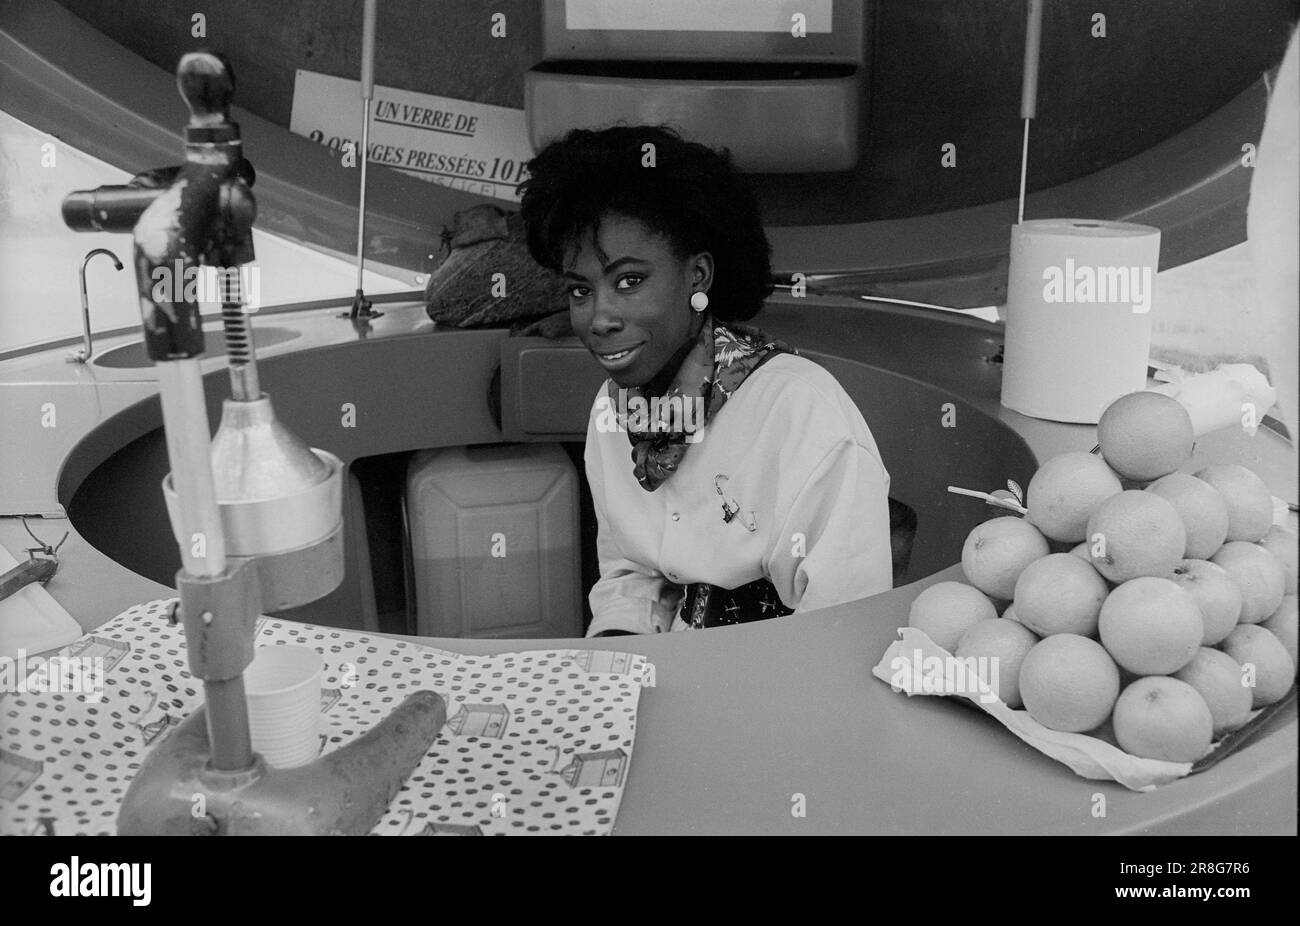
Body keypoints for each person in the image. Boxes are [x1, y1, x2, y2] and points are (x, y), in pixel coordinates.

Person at [519, 126, 893, 635]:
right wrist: (619, 659)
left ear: (698, 277)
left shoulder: (798, 409)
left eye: (630, 281)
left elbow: (845, 625)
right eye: (581, 291)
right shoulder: (612, 408)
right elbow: (631, 574)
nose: (599, 317)